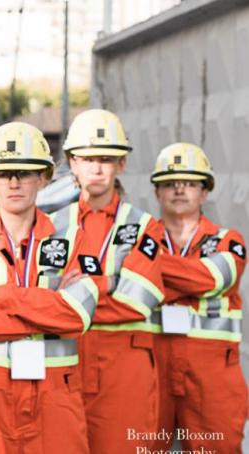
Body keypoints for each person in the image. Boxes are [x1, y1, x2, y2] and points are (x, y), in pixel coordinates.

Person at [0, 122, 98, 453]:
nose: (12, 182)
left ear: (44, 177)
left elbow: (78, 315)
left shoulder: (72, 237)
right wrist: (46, 308)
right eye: (2, 172)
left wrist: (1, 296)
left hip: (55, 393)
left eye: (24, 172)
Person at [48, 109, 165, 453]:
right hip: (65, 365)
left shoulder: (145, 226)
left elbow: (138, 300)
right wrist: (112, 282)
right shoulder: (51, 226)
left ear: (121, 165)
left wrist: (76, 294)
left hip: (124, 371)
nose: (97, 168)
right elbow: (41, 297)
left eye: (106, 159)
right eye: (87, 159)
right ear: (72, 162)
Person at [148, 143, 247, 452]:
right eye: (170, 183)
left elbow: (211, 279)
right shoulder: (142, 239)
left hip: (211, 376)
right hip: (152, 368)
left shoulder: (229, 241)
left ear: (204, 193)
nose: (179, 189)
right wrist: (188, 277)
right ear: (157, 192)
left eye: (190, 183)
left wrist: (149, 269)